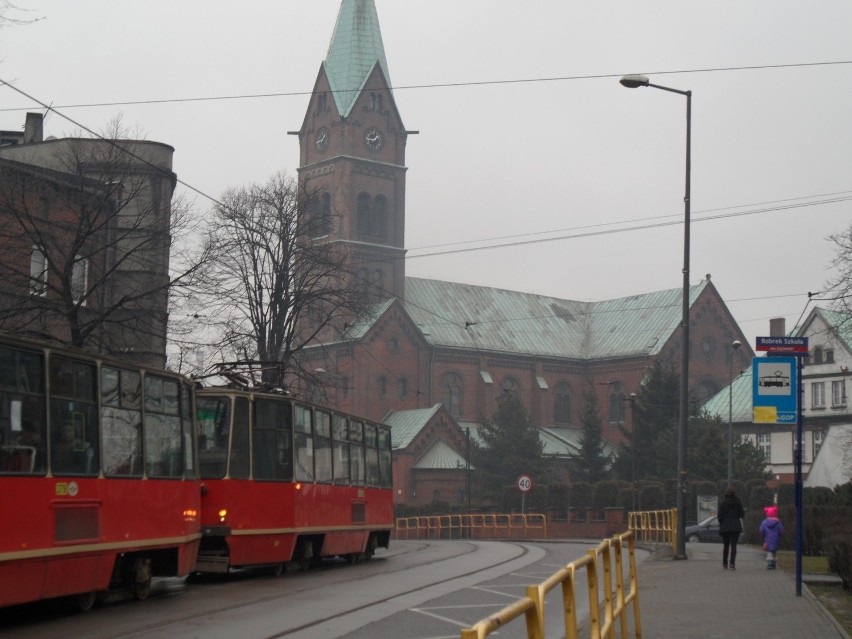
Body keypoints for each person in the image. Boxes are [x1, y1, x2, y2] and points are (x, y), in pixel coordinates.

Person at [717, 486, 744, 570]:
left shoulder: (722, 503)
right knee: (734, 546)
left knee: (726, 545)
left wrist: (723, 523)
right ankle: (732, 563)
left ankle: (725, 563)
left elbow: (719, 517)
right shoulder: (738, 503)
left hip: (725, 527)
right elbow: (742, 515)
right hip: (735, 527)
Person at [759, 505, 784, 570]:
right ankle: (773, 563)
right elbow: (781, 530)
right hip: (776, 539)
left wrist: (763, 533)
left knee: (769, 551)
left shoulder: (764, 522)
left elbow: (761, 530)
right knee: (774, 551)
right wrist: (779, 533)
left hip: (768, 539)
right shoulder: (778, 522)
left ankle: (770, 563)